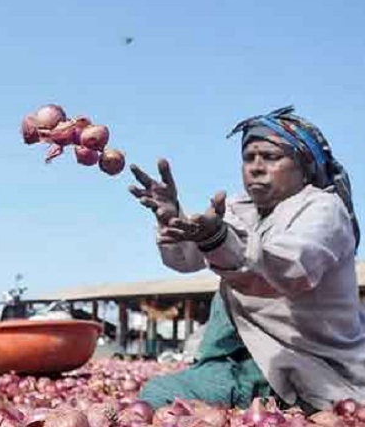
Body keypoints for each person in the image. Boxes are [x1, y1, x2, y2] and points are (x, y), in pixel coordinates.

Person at [129, 106, 365, 411]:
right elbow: (187, 260)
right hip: (246, 357)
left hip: (301, 364)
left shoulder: (323, 209)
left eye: (270, 157)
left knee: (160, 394)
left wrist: (217, 239)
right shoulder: (241, 208)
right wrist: (173, 220)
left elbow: (292, 268)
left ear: (304, 166)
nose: (255, 167)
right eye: (248, 157)